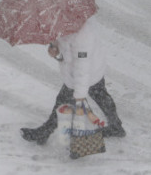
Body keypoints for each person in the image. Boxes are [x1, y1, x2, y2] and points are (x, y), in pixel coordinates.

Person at [21, 15, 125, 145]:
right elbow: (65, 42)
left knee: (65, 99)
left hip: (87, 72)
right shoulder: (66, 21)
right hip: (86, 69)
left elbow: (82, 68)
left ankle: (45, 132)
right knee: (100, 95)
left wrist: (80, 96)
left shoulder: (83, 36)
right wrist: (55, 47)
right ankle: (116, 126)